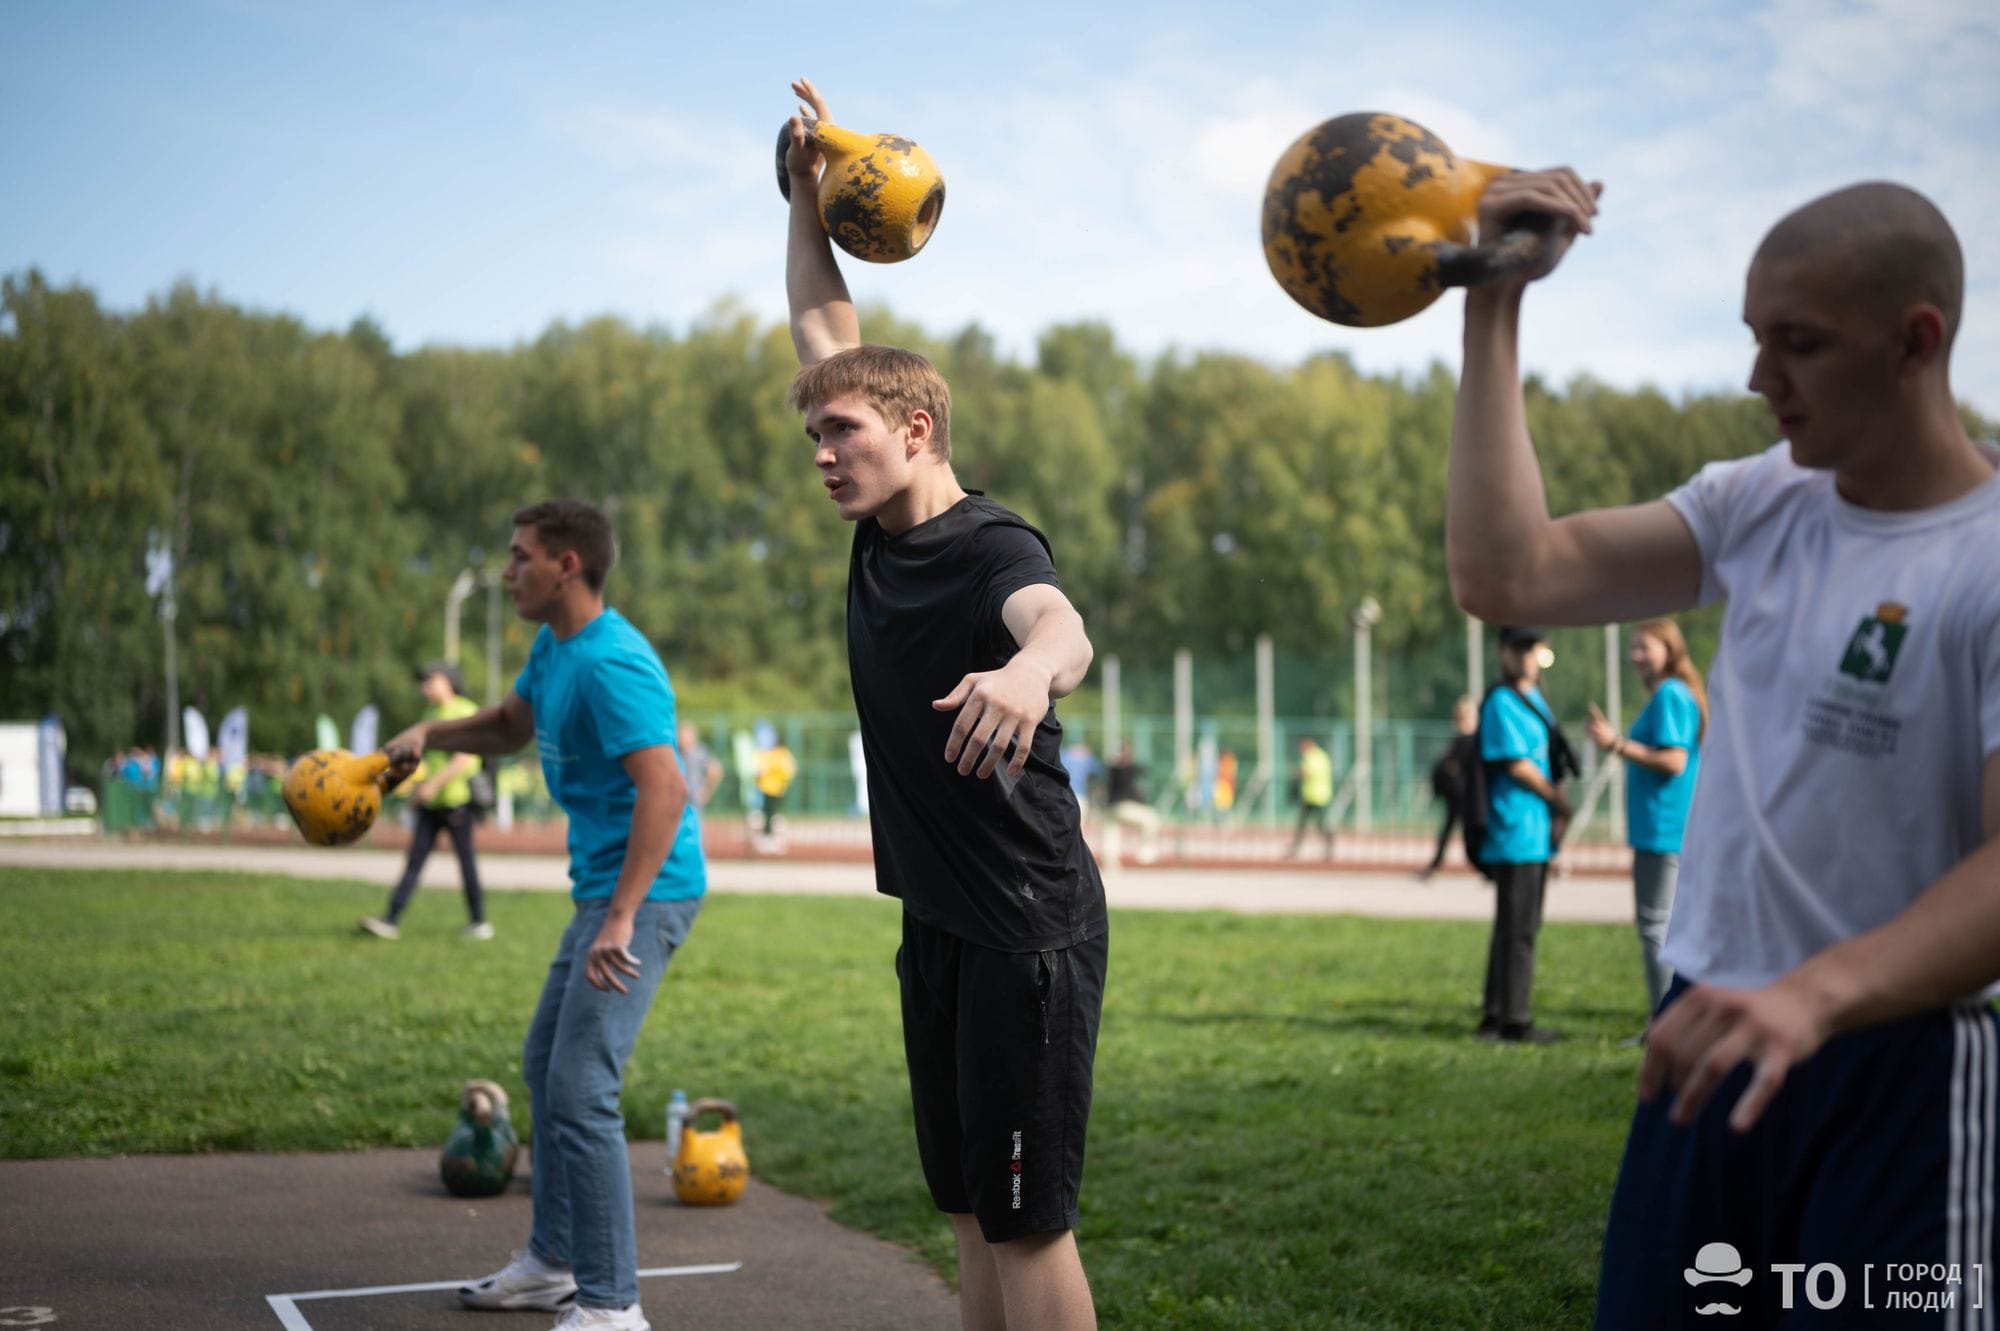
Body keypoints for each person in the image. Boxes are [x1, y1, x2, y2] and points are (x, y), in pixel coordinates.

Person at [1446, 170, 2000, 1326]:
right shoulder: (1761, 500)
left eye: (1795, 343)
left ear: (1916, 341)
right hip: (1704, 1045)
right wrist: (1492, 299)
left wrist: (1811, 995)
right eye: (1753, 339)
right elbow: (1506, 574)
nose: (1759, 380)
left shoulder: (1984, 559)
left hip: (1894, 1071)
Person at [784, 76, 1107, 1331]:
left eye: (843, 433)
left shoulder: (988, 546)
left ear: (916, 429)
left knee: (1029, 1228)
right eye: (812, 434)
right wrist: (808, 195)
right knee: (972, 1209)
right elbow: (824, 326)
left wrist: (1029, 673)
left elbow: (1058, 622)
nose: (822, 451)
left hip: (1026, 926)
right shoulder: (877, 527)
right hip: (939, 918)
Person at [385, 499, 705, 1331]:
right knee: (544, 1066)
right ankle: (554, 1264)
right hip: (604, 888)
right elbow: (508, 723)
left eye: (521, 555)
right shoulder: (553, 646)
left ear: (568, 565)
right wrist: (432, 730)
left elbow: (667, 790)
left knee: (581, 1085)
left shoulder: (612, 663)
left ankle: (611, 1305)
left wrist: (622, 916)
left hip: (648, 891)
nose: (507, 570)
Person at [1584, 619, 1706, 1022]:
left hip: (1663, 829)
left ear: (1669, 650)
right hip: (1663, 828)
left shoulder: (1671, 694)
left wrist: (1615, 744)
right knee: (1665, 928)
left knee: (1657, 929)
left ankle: (1666, 1024)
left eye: (1645, 647)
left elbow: (1674, 760)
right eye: (1633, 647)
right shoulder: (1671, 694)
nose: (1635, 655)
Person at [1473, 627, 1573, 1044]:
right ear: (1503, 654)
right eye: (1520, 648)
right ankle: (1514, 1019)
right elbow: (1517, 763)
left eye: (1534, 648)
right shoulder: (1501, 700)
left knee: (1517, 925)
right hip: (1514, 828)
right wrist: (1555, 798)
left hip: (1535, 831)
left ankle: (1496, 1016)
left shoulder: (1534, 699)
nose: (1529, 656)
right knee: (1519, 930)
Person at [360, 662, 489, 941]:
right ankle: (390, 918)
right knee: (414, 861)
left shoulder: (464, 711)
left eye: (432, 680)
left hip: (457, 802)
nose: (425, 687)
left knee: (466, 862)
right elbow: (425, 761)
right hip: (430, 803)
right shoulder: (430, 714)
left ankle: (479, 922)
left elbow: (465, 758)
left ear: (449, 681)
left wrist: (433, 785)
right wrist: (415, 788)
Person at [1417, 696, 1479, 880]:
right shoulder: (1464, 740)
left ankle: (1488, 866)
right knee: (1456, 831)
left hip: (1465, 794)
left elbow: (1455, 767)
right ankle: (1435, 865)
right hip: (1459, 795)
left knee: (1472, 832)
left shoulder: (1468, 741)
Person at [1104, 740, 1162, 865]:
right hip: (1124, 807)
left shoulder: (1111, 769)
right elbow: (1143, 768)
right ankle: (1146, 850)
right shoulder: (1128, 769)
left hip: (1110, 808)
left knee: (1110, 833)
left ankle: (1110, 862)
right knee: (1151, 818)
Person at [1286, 736, 1336, 859]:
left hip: (1318, 797)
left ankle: (1329, 847)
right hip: (1309, 797)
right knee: (1302, 826)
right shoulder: (1317, 756)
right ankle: (1295, 849)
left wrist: (1297, 773)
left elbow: (1308, 772)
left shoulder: (1316, 757)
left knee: (1321, 825)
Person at [675, 721, 724, 810]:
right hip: (676, 800)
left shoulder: (700, 752)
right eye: (681, 736)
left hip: (693, 802)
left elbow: (715, 770)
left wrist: (707, 790)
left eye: (686, 736)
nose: (683, 739)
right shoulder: (675, 752)